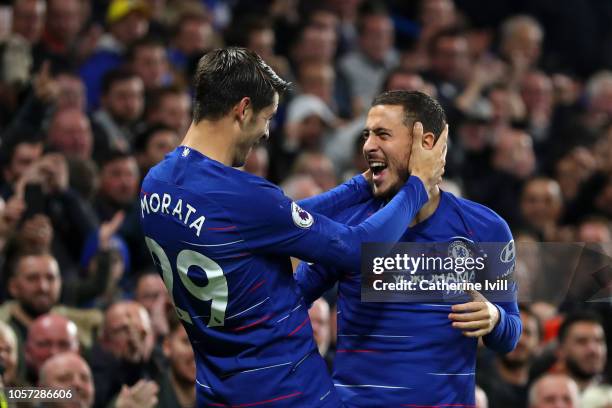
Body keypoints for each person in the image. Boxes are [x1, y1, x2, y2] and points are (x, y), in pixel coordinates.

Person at [140, 47, 447, 407]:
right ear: (242, 110)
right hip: (286, 391)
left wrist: (361, 185)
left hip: (217, 391)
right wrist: (417, 186)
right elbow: (356, 249)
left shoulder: (156, 184)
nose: (267, 132)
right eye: (267, 116)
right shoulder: (244, 195)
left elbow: (270, 220)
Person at [295, 90, 521, 407]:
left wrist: (494, 317)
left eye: (382, 134)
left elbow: (511, 334)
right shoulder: (351, 227)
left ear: (425, 144)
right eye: (367, 134)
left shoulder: (485, 228)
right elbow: (290, 301)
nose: (368, 146)